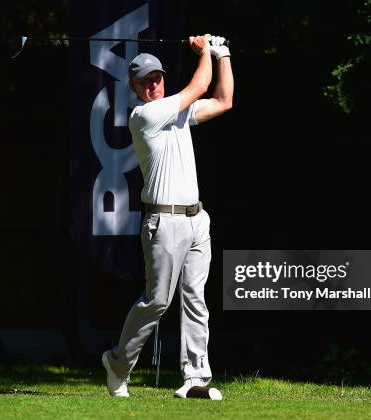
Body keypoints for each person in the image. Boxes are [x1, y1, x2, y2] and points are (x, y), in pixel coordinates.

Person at [102, 34, 233, 398]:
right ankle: (117, 364)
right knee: (157, 301)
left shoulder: (176, 110)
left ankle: (196, 379)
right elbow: (200, 84)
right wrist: (205, 50)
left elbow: (224, 100)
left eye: (157, 78)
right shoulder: (145, 115)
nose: (153, 85)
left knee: (195, 298)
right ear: (134, 87)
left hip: (196, 220)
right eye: (145, 81)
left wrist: (223, 54)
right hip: (163, 223)